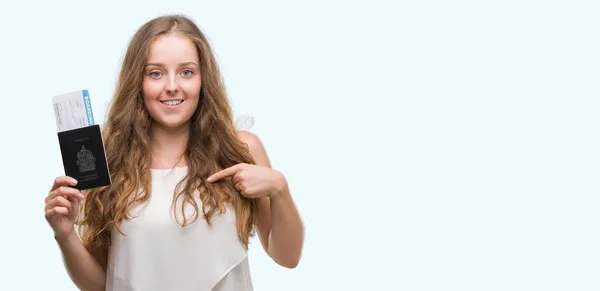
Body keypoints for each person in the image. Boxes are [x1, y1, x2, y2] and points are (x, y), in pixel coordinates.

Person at [44, 14, 305, 291]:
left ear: (204, 80)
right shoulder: (109, 162)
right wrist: (64, 234)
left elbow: (287, 257)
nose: (171, 85)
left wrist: (280, 189)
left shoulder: (242, 150)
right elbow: (100, 284)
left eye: (186, 72)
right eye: (155, 73)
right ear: (138, 81)